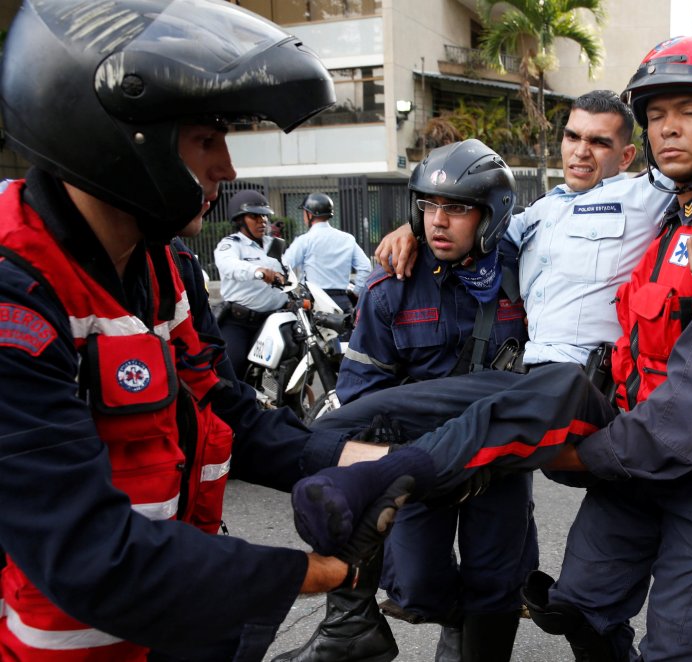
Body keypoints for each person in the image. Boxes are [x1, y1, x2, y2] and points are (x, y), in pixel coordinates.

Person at [292, 34, 692, 661]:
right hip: (619, 424)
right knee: (579, 606)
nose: (669, 130)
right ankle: (326, 462)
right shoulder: (651, 213)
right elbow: (475, 224)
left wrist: (583, 458)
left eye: (690, 113)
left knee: (680, 645)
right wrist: (408, 233)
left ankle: (387, 481)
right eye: (658, 115)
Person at [0, 1, 412, 659]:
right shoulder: (15, 293)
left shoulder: (159, 263)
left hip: (184, 619)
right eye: (204, 139)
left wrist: (378, 464)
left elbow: (223, 410)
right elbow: (88, 554)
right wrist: (318, 573)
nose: (225, 169)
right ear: (113, 138)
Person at [275, 140, 533, 662]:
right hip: (422, 465)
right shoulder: (390, 286)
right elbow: (362, 399)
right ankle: (451, 619)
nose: (438, 221)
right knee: (413, 585)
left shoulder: (530, 269)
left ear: (492, 214)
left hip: (499, 461)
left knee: (499, 582)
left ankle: (475, 642)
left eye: (457, 208)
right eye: (429, 206)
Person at [214, 189, 289, 377]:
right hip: (240, 323)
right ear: (240, 220)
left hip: (272, 320)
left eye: (264, 216)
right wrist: (257, 271)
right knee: (231, 368)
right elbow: (228, 265)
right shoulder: (231, 245)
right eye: (254, 216)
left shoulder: (274, 245)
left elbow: (288, 275)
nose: (261, 221)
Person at [283, 191, 372, 325]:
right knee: (345, 344)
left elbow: (285, 264)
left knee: (315, 344)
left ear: (310, 214)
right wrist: (356, 292)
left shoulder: (305, 240)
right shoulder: (347, 239)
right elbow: (366, 267)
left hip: (315, 302)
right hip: (342, 301)